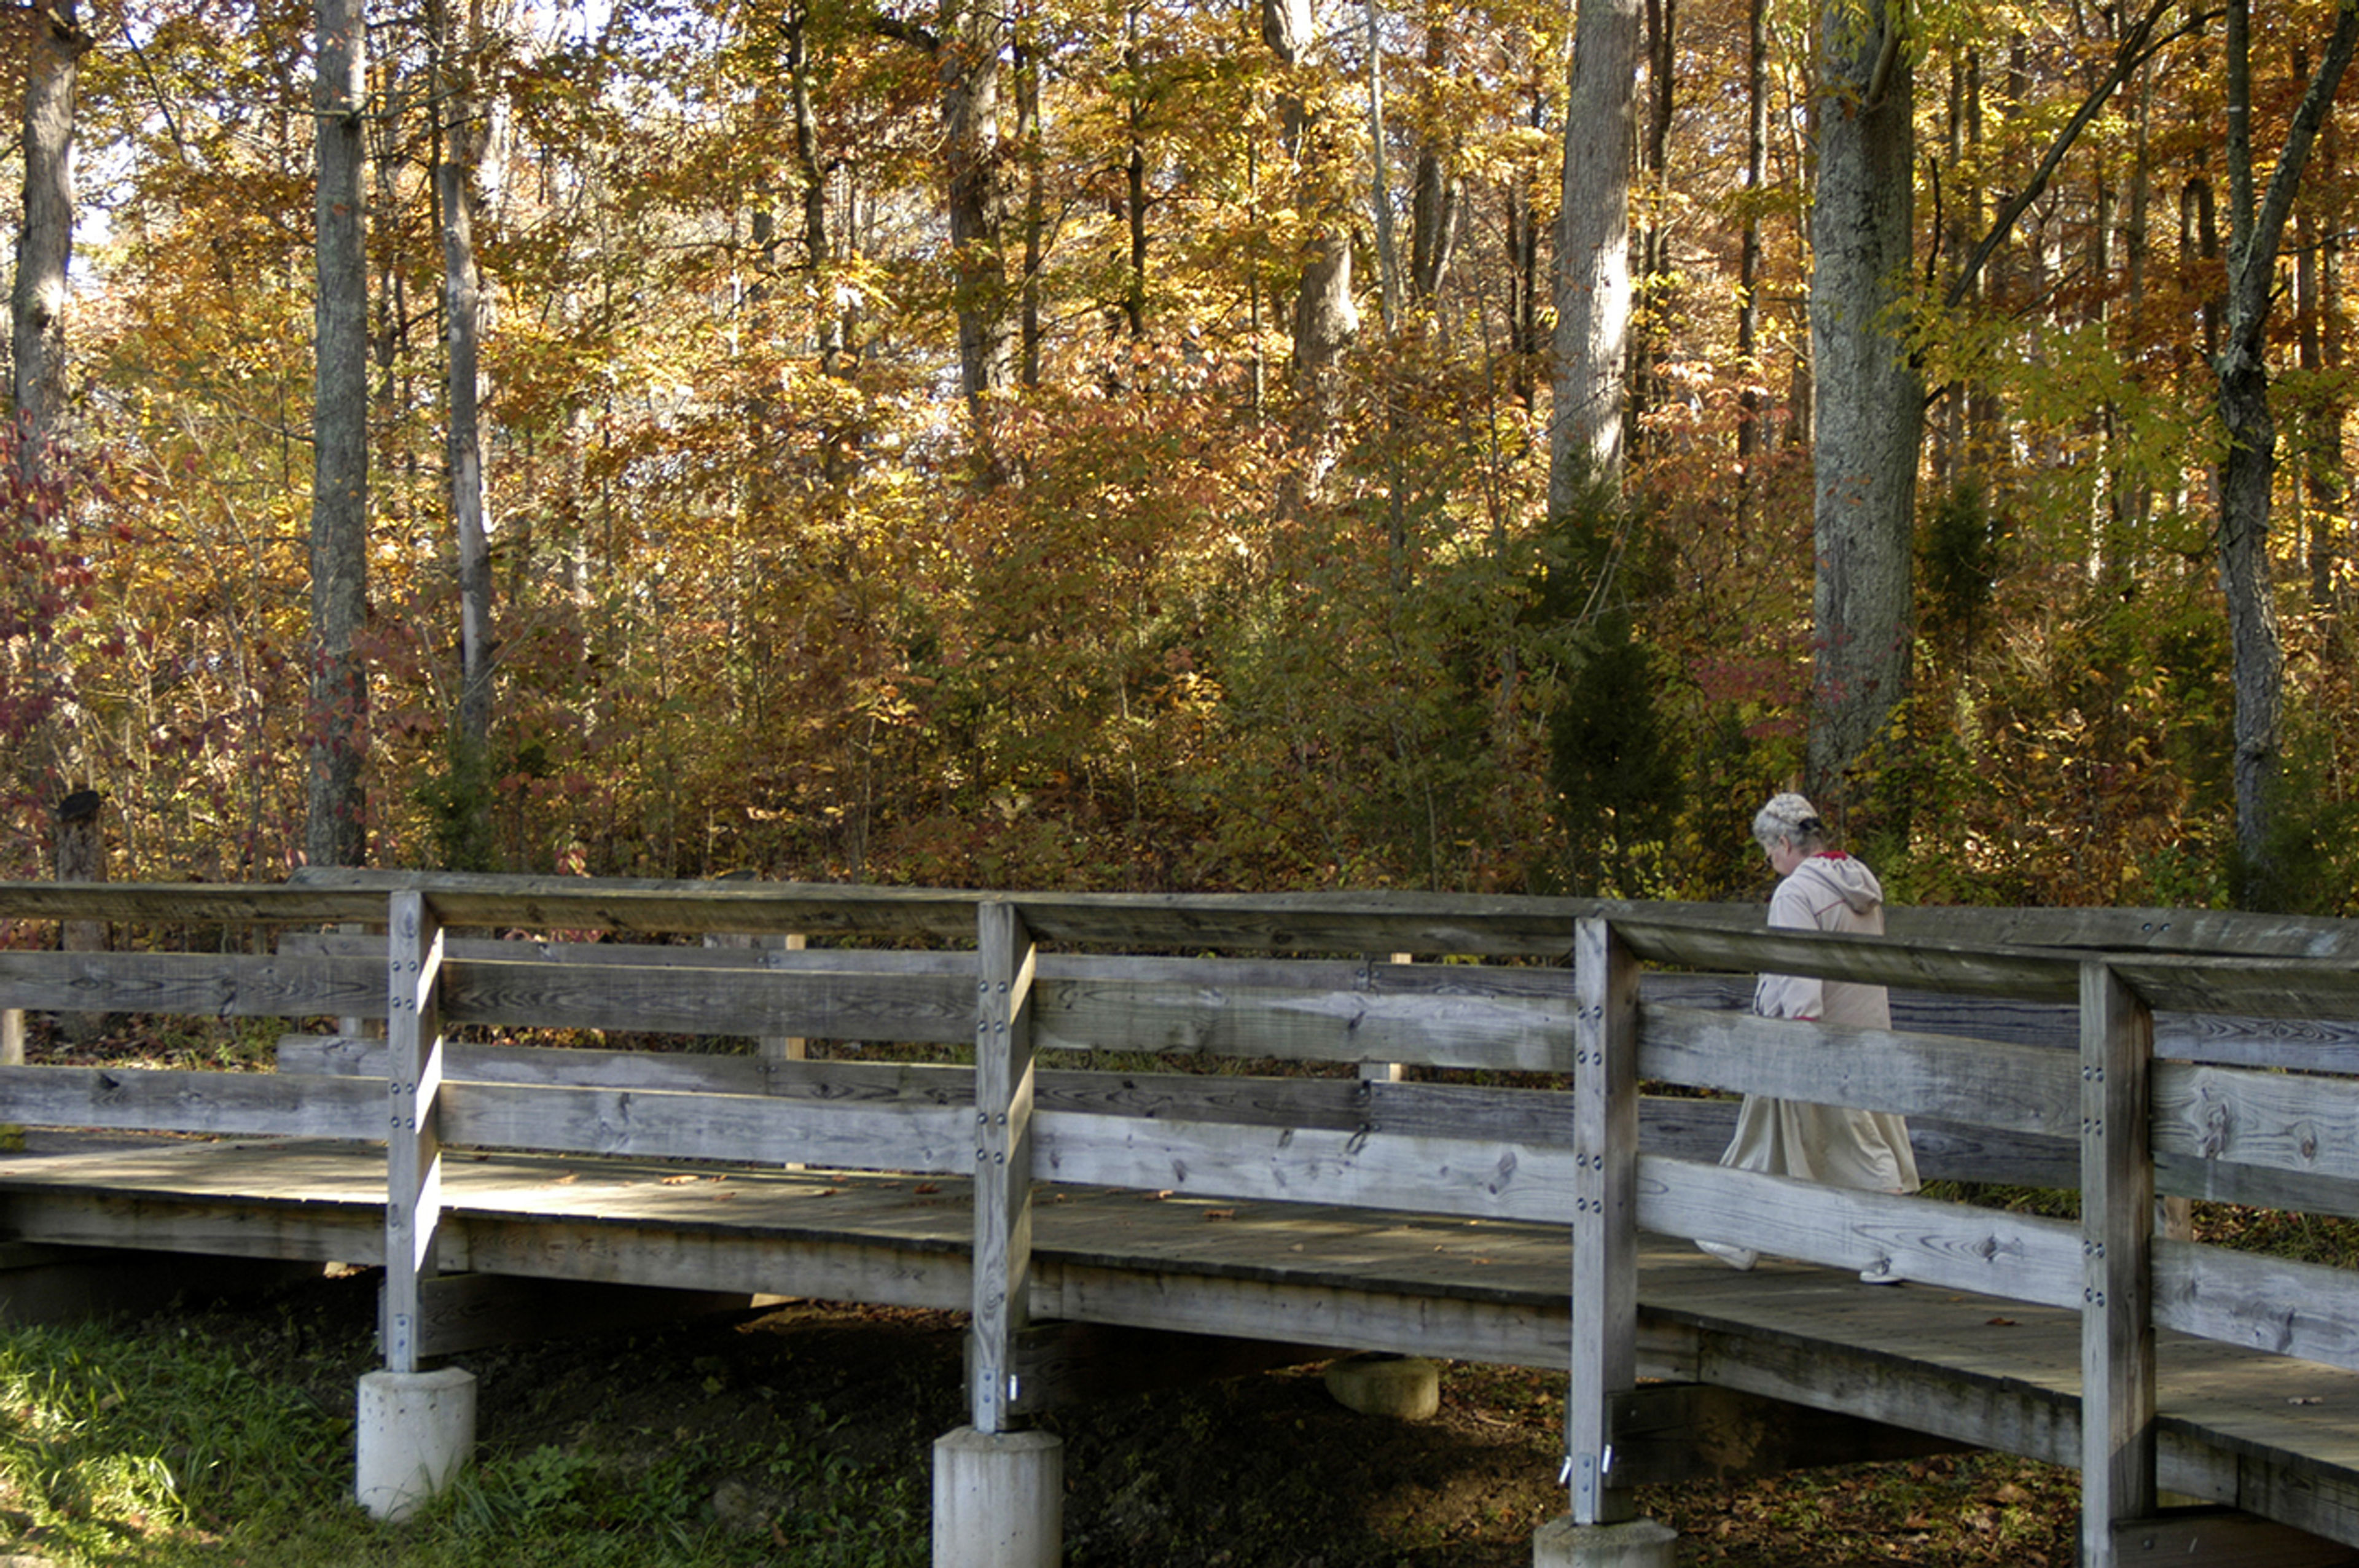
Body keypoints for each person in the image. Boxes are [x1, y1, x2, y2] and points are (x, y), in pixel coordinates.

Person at [1695, 792, 1920, 1281]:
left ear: (1783, 841)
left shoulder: (1796, 893)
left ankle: (1890, 1247)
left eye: (1768, 848)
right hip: (1867, 1033)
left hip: (1816, 1043)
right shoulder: (1859, 882)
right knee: (1766, 1135)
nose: (1767, 859)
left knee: (1858, 1146)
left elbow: (1798, 976)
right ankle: (1734, 1233)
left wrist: (1797, 1036)